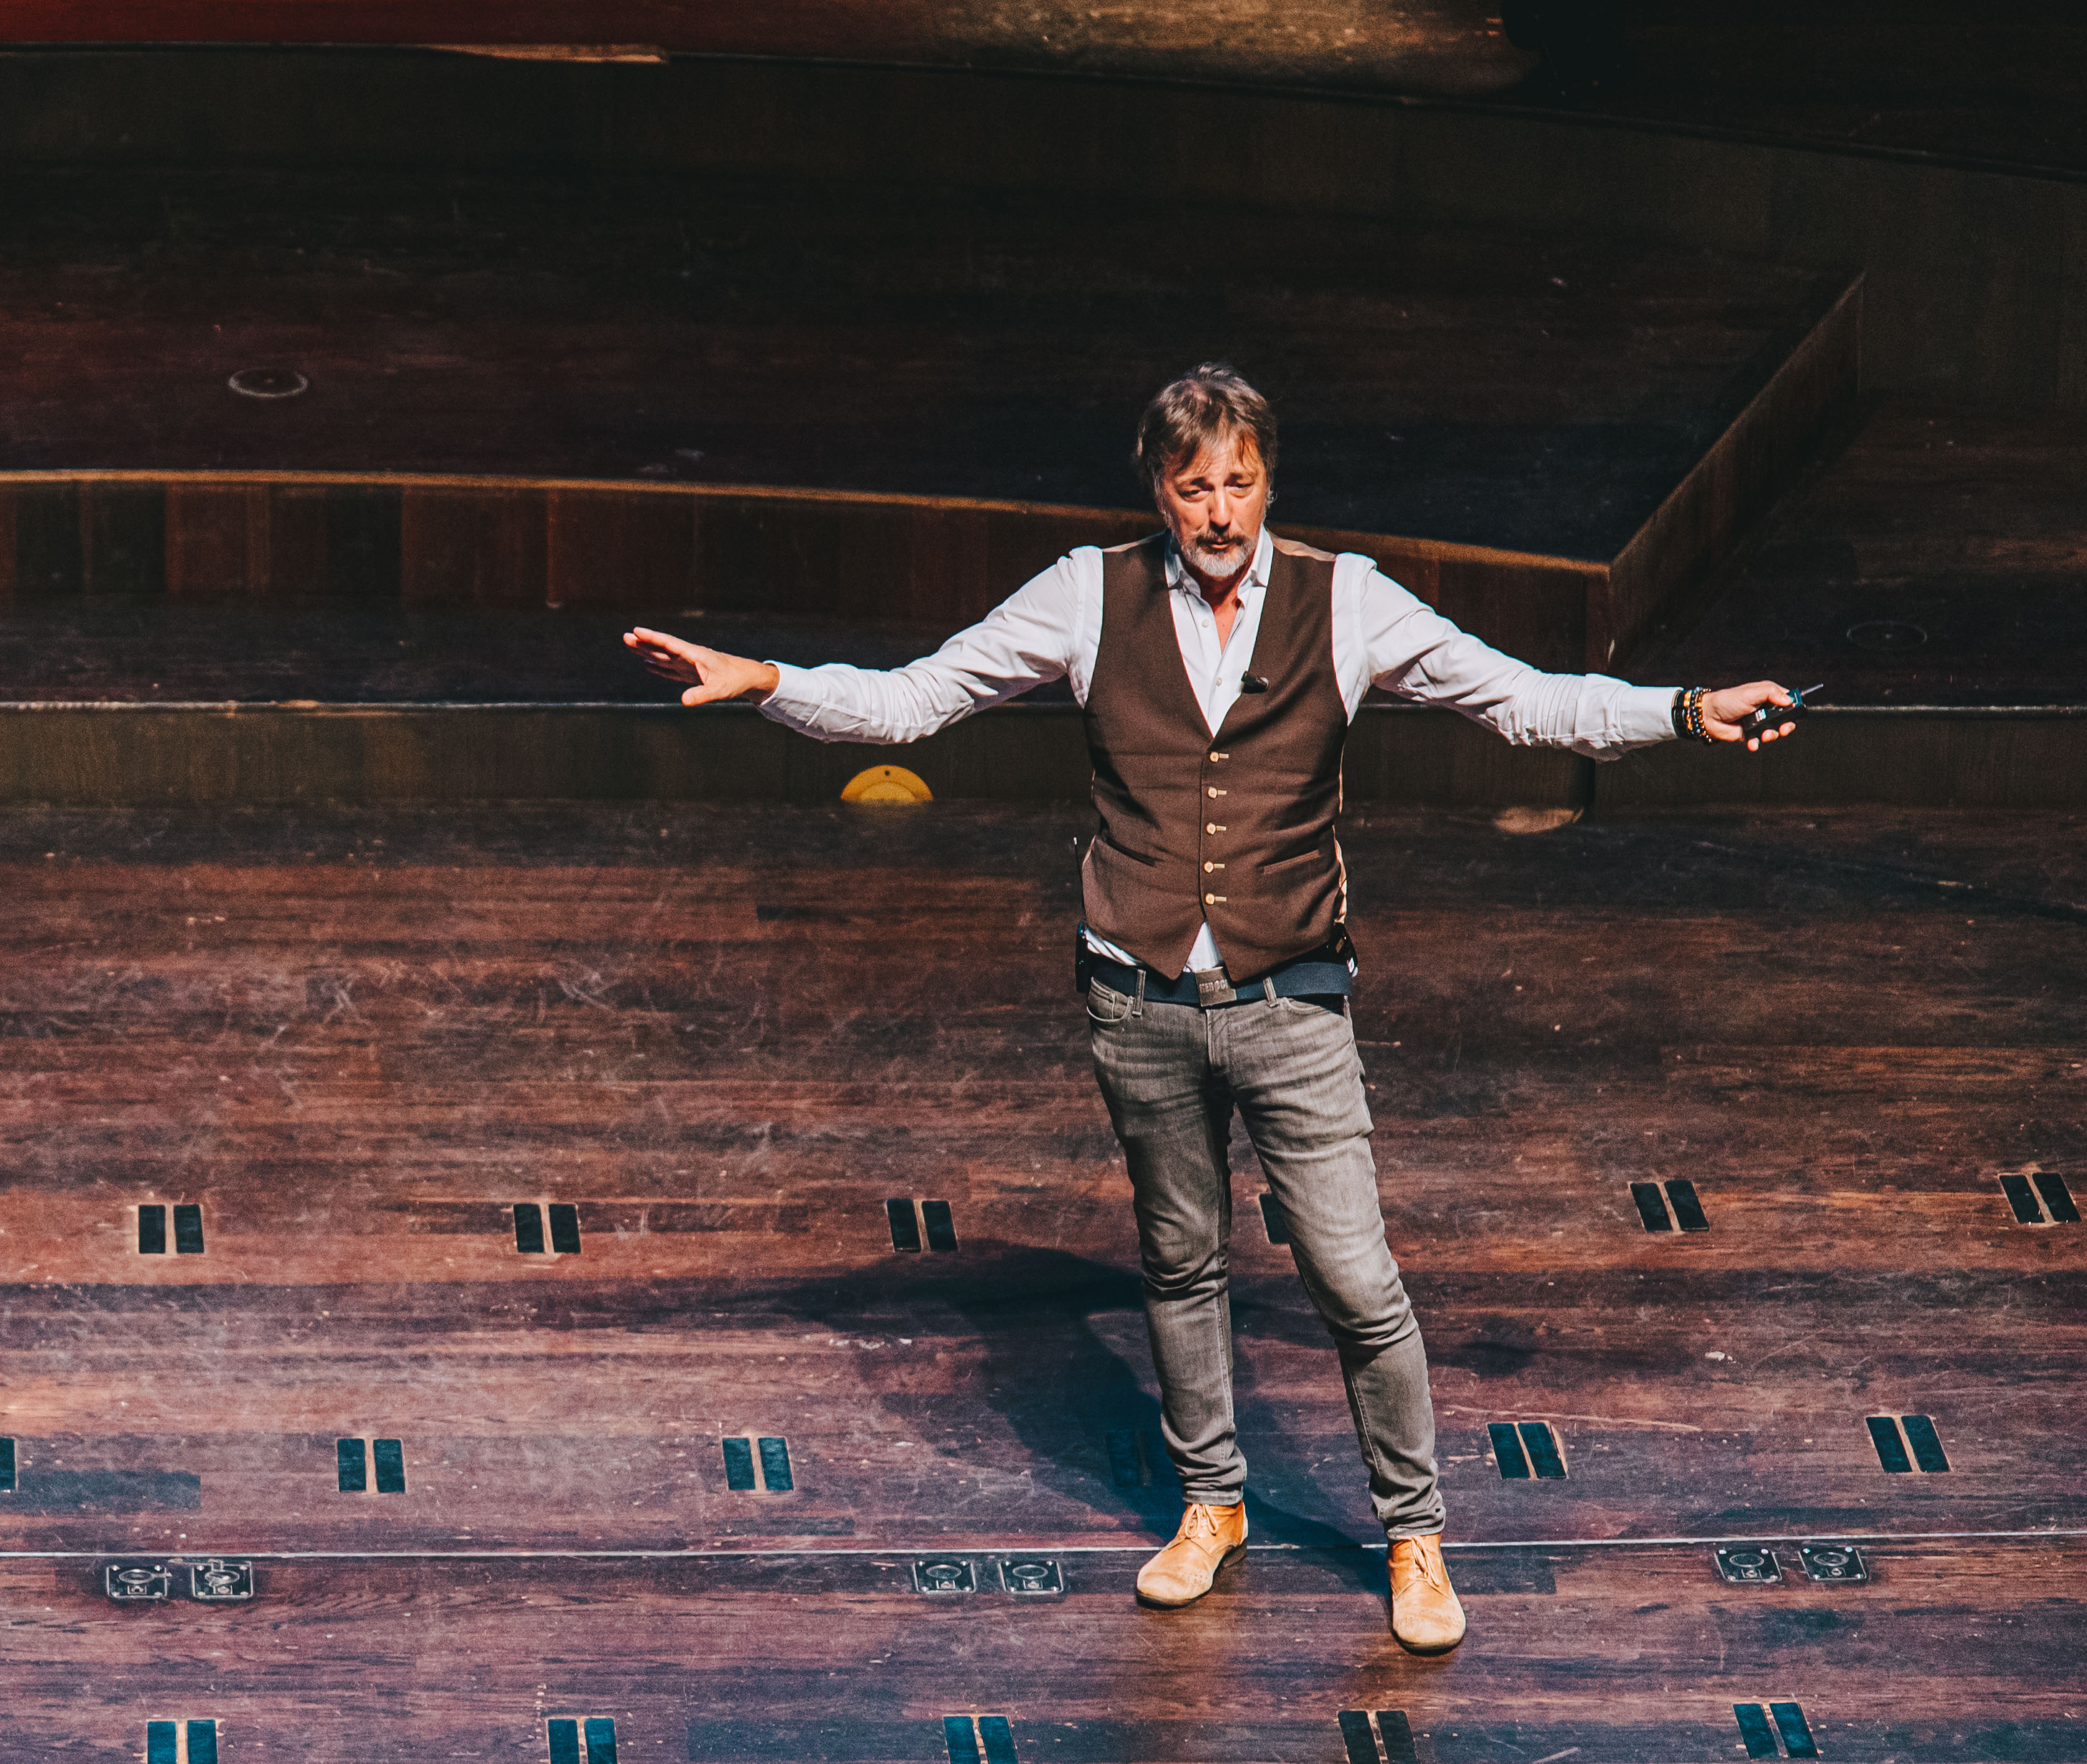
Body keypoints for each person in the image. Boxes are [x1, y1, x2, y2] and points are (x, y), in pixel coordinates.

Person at [624, 365, 1801, 1653]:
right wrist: (769, 679)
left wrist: (1687, 710)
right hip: (1138, 1000)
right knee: (1180, 1264)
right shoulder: (1090, 593)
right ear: (1162, 491)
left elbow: (1522, 701)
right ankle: (1211, 1505)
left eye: (1241, 482)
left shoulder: (1346, 602)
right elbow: (919, 698)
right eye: (1197, 488)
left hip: (1291, 998)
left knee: (1352, 1273)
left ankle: (1414, 1534)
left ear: (1270, 479)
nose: (1222, 511)